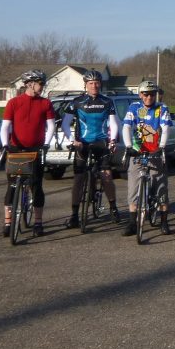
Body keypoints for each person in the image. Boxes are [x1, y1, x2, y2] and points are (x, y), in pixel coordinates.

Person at [0, 69, 56, 237]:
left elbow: (51, 126)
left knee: (36, 186)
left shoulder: (45, 103)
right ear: (30, 84)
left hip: (35, 149)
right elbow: (5, 126)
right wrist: (5, 145)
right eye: (41, 84)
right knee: (12, 186)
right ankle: (8, 222)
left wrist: (46, 144)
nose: (42, 87)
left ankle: (38, 222)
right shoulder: (14, 103)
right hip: (16, 149)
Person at [62, 69, 121, 229]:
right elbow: (65, 124)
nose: (94, 86)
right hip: (83, 144)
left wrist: (113, 140)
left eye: (96, 83)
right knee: (78, 180)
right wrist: (72, 140)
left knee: (107, 176)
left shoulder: (107, 102)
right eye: (90, 83)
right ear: (85, 85)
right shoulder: (77, 102)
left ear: (100, 84)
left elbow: (113, 123)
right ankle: (74, 215)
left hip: (101, 144)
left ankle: (113, 208)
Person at [121, 79, 172, 236]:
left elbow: (166, 127)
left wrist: (162, 147)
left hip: (155, 151)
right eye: (146, 94)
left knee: (161, 187)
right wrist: (129, 147)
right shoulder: (134, 107)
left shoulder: (161, 108)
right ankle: (132, 222)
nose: (149, 97)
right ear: (140, 94)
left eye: (152, 94)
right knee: (133, 188)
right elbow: (126, 127)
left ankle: (164, 221)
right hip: (138, 151)